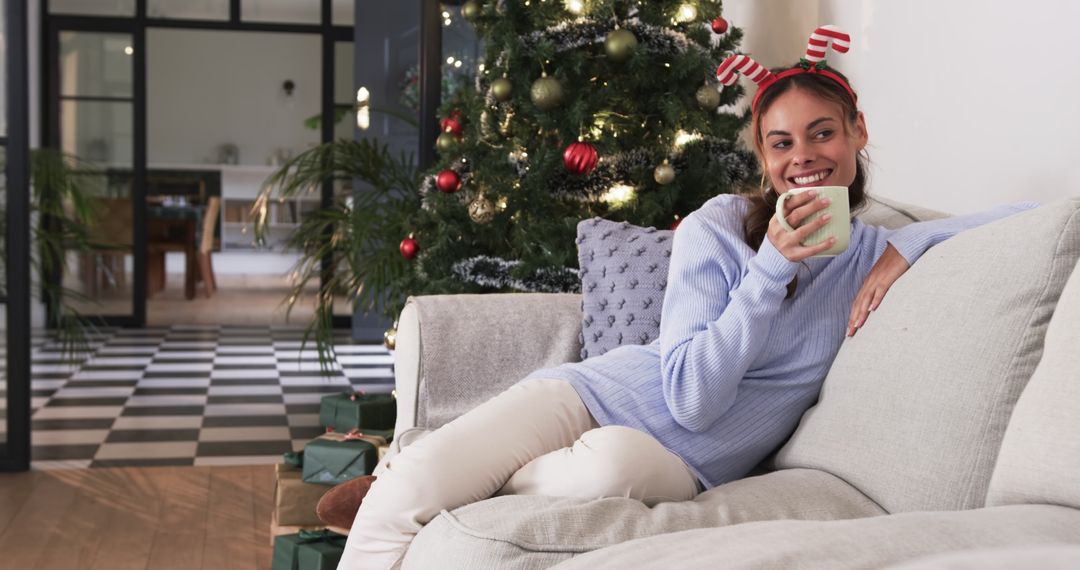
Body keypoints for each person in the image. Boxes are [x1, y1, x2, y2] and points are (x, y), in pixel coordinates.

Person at [333, 25, 1036, 569]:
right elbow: (689, 390)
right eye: (781, 143)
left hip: (683, 461)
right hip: (592, 394)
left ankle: (446, 470)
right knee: (409, 493)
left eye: (824, 133)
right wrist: (770, 270)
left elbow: (1033, 218)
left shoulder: (868, 255)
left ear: (858, 133)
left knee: (603, 471)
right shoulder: (720, 228)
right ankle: (419, 470)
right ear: (762, 157)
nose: (804, 157)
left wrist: (906, 245)